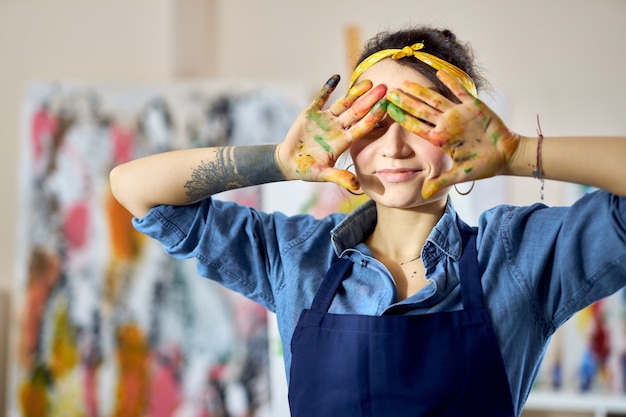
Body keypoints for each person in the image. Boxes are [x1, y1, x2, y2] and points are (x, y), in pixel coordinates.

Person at [109, 25, 626, 417]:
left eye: (420, 120)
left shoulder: (515, 257)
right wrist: (279, 162)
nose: (394, 146)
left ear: (465, 132)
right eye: (372, 122)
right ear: (344, 135)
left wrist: (515, 153)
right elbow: (134, 189)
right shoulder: (298, 257)